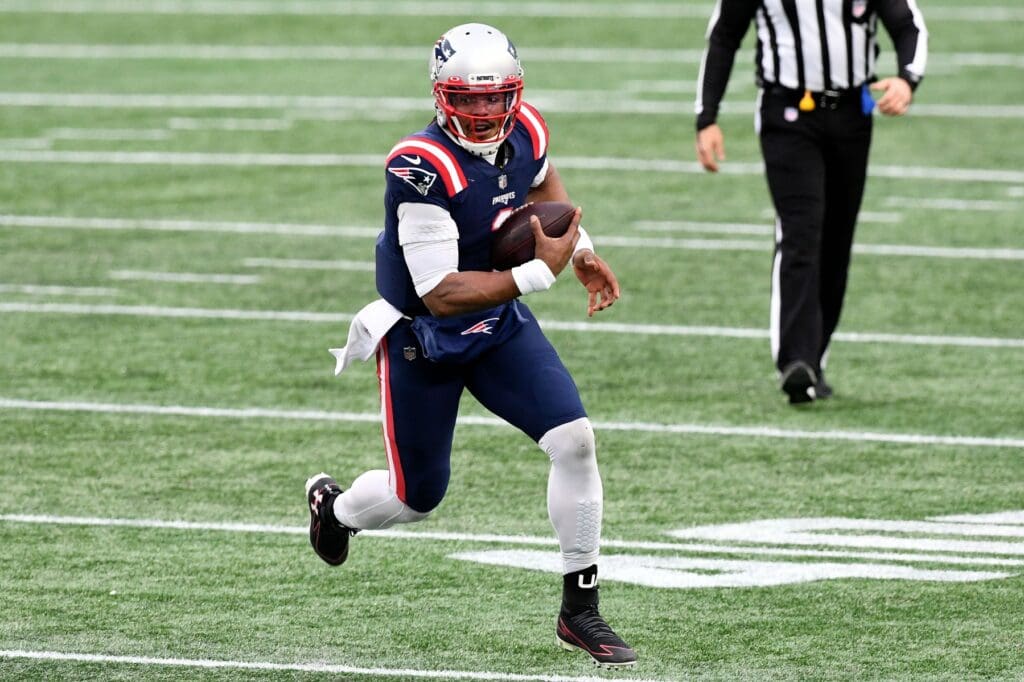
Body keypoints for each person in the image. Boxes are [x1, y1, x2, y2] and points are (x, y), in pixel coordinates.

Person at [304, 23, 636, 669]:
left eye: (495, 98)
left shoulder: (527, 130)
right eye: (468, 98)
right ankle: (336, 510)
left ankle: (580, 608)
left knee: (574, 440)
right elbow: (440, 293)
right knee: (416, 497)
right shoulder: (420, 165)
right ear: (440, 94)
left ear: (515, 94)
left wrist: (583, 248)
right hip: (422, 338)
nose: (484, 113)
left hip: (499, 322)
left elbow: (546, 193)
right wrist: (542, 273)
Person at [694, 0, 928, 403]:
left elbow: (909, 26)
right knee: (801, 230)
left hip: (854, 112)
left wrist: (908, 78)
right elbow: (724, 35)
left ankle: (814, 358)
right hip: (786, 112)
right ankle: (795, 361)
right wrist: (707, 116)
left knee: (836, 240)